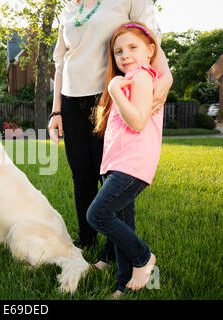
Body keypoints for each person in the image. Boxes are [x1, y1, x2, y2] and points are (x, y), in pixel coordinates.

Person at [49, 0, 172, 269]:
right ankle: (87, 241)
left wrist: (166, 77)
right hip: (71, 100)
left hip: (107, 94)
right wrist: (56, 111)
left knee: (110, 175)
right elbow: (60, 62)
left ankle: (112, 253)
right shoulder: (70, 8)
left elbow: (151, 39)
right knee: (81, 174)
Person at [86, 21, 166, 298]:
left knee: (97, 214)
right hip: (117, 164)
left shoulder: (142, 76)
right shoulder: (130, 79)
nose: (124, 55)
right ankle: (123, 285)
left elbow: (138, 122)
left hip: (131, 166)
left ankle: (143, 257)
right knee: (122, 226)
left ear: (150, 50)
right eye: (118, 51)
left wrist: (115, 91)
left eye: (133, 47)